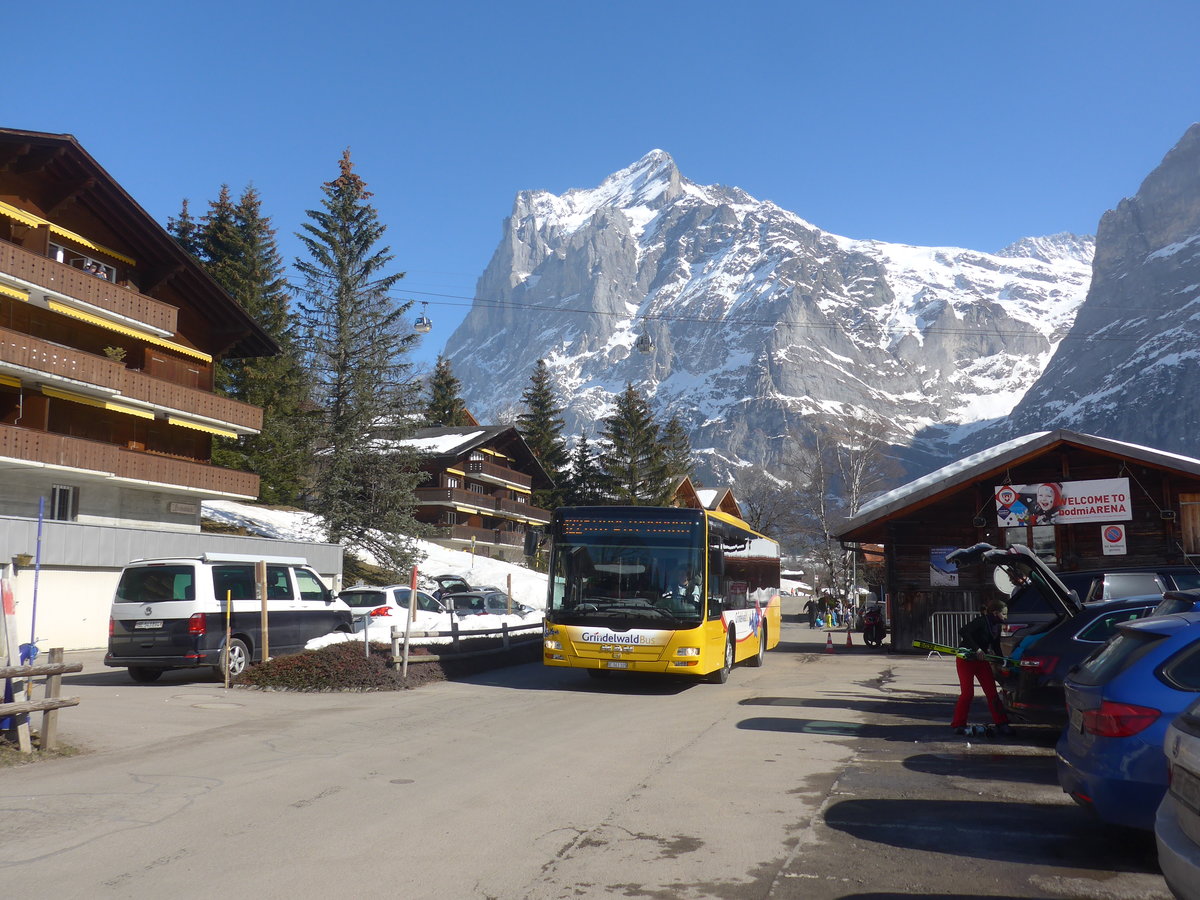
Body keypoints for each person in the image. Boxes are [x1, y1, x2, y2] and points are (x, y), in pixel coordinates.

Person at [951, 599, 1015, 735]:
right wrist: (977, 649)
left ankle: (1002, 723)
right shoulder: (981, 621)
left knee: (992, 692)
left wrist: (1001, 660)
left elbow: (996, 646)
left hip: (981, 660)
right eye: (1004, 614)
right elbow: (963, 631)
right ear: (995, 613)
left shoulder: (997, 627)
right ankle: (958, 724)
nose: (1006, 617)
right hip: (966, 658)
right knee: (968, 693)